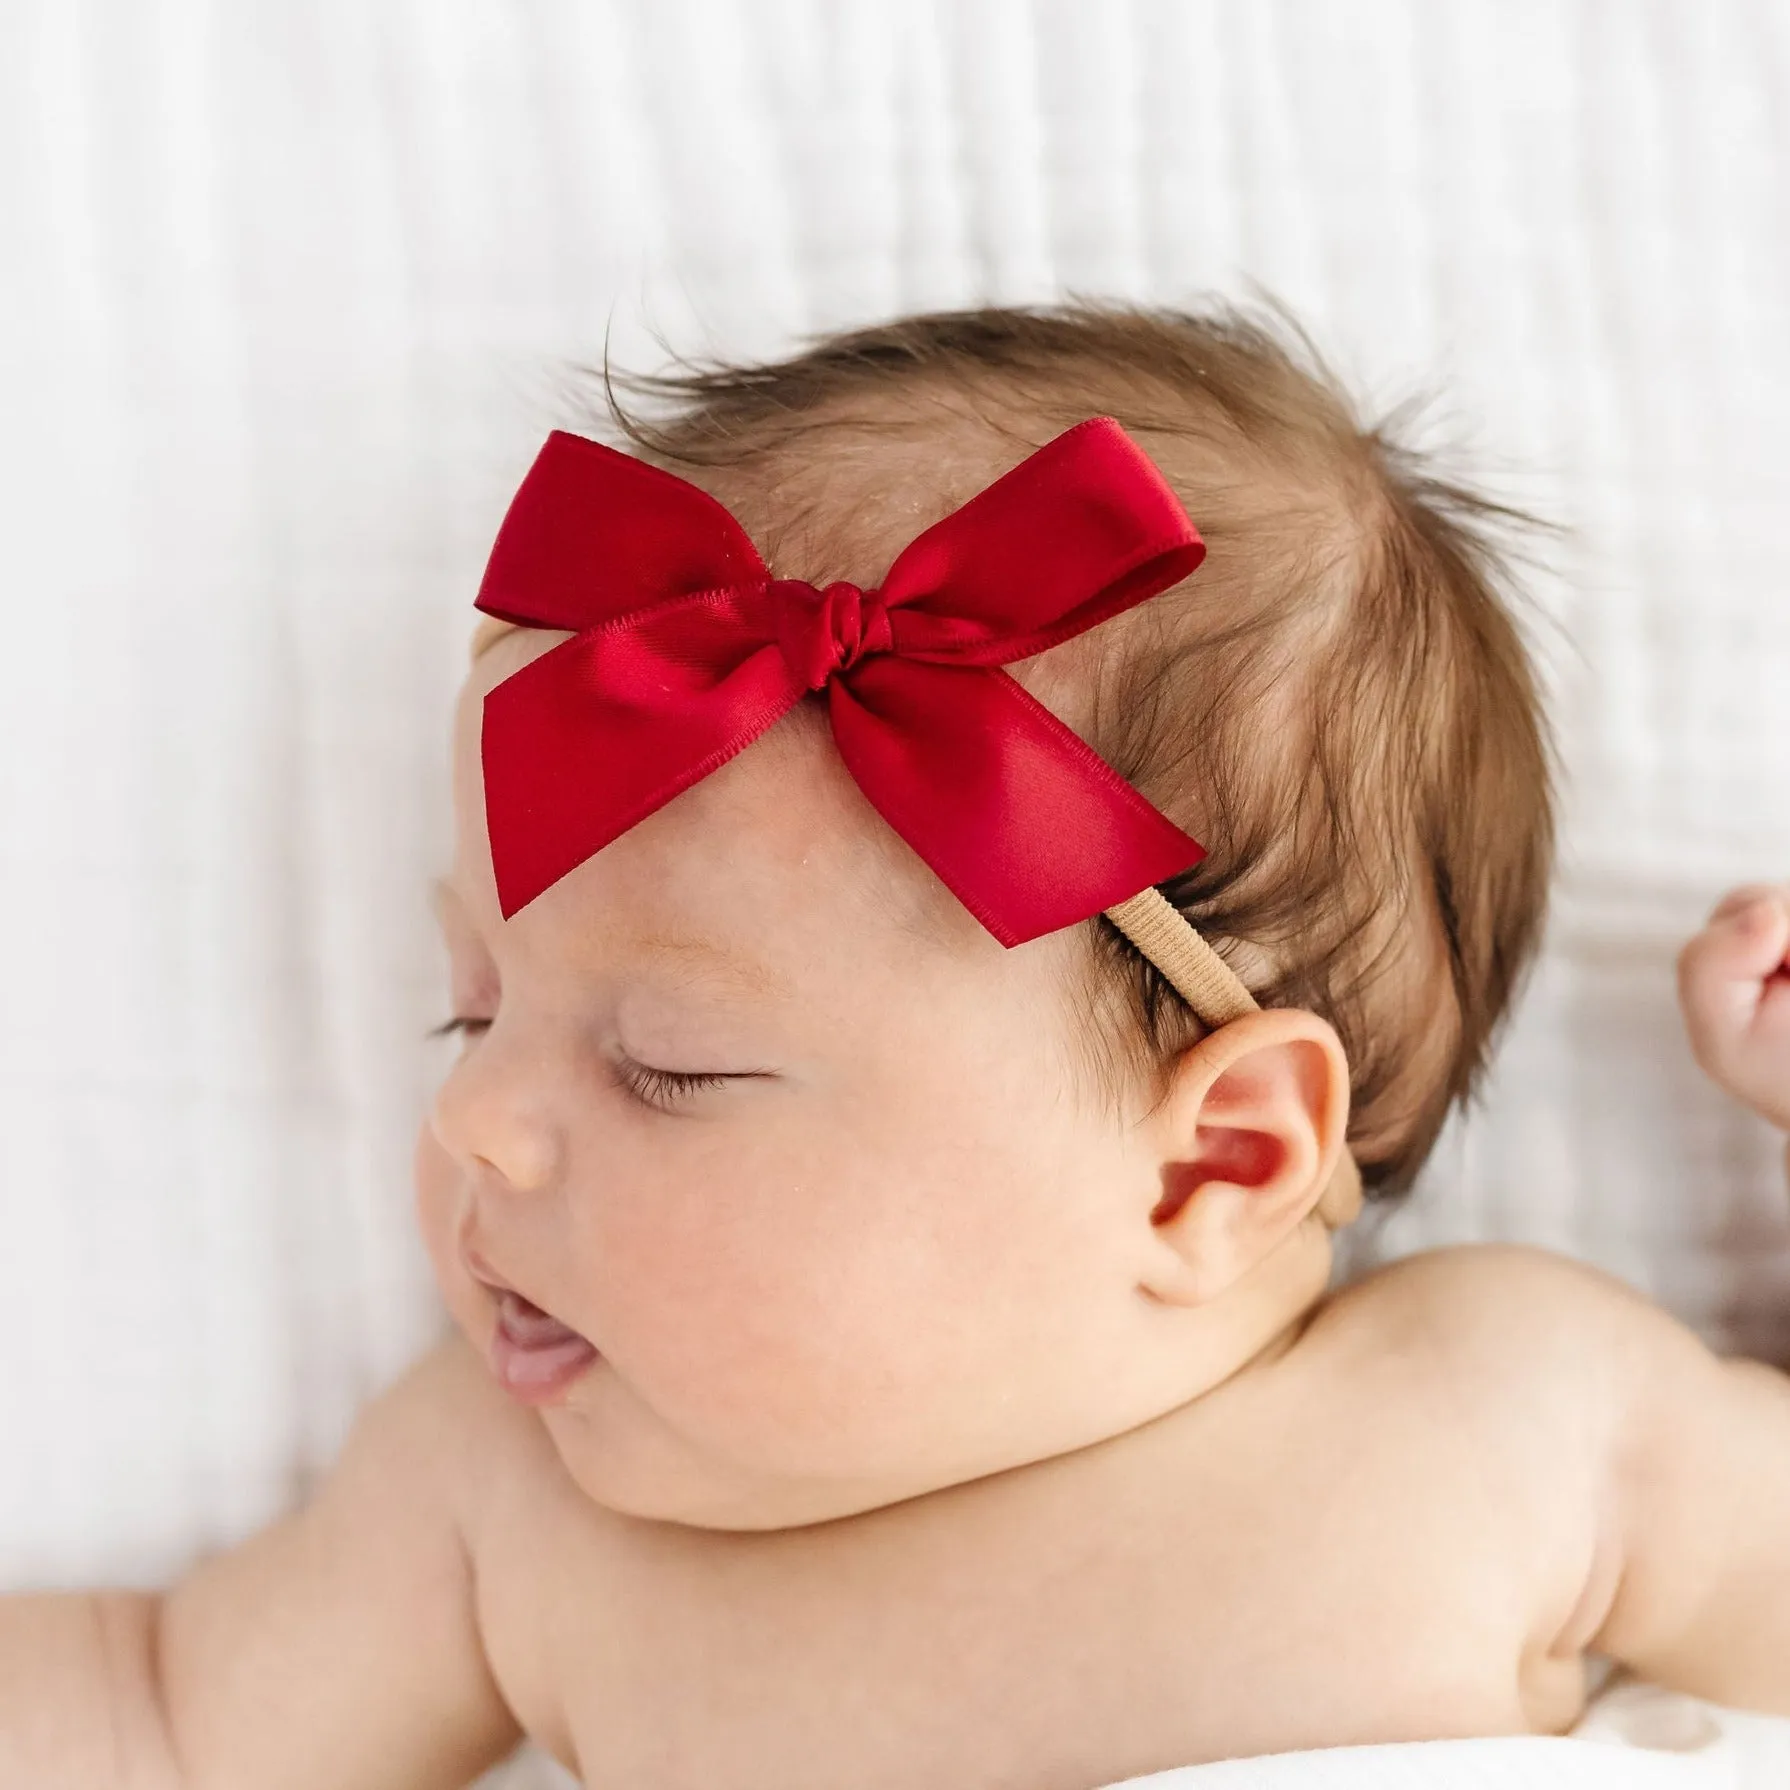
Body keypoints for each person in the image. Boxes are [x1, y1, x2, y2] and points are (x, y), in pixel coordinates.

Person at [3, 303, 1787, 1790]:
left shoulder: (1507, 1418)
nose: (473, 1117)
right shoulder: (507, 1505)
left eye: (668, 1064)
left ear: (1212, 1161)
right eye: (471, 1003)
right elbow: (156, 1718)